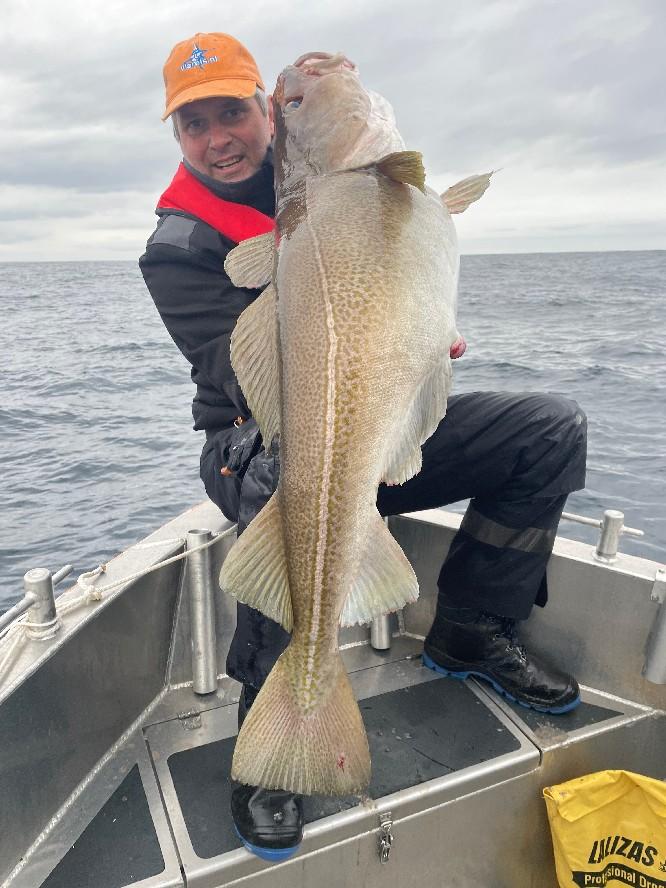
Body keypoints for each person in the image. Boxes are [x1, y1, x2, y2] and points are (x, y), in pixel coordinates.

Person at [140, 33, 587, 862]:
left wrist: (412, 343)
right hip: (251, 441)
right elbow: (243, 375)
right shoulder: (178, 247)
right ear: (178, 137)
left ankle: (471, 628)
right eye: (194, 124)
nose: (218, 138)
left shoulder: (354, 183)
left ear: (268, 117)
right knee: (284, 476)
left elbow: (399, 277)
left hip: (373, 425)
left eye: (234, 112)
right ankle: (273, 720)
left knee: (548, 430)